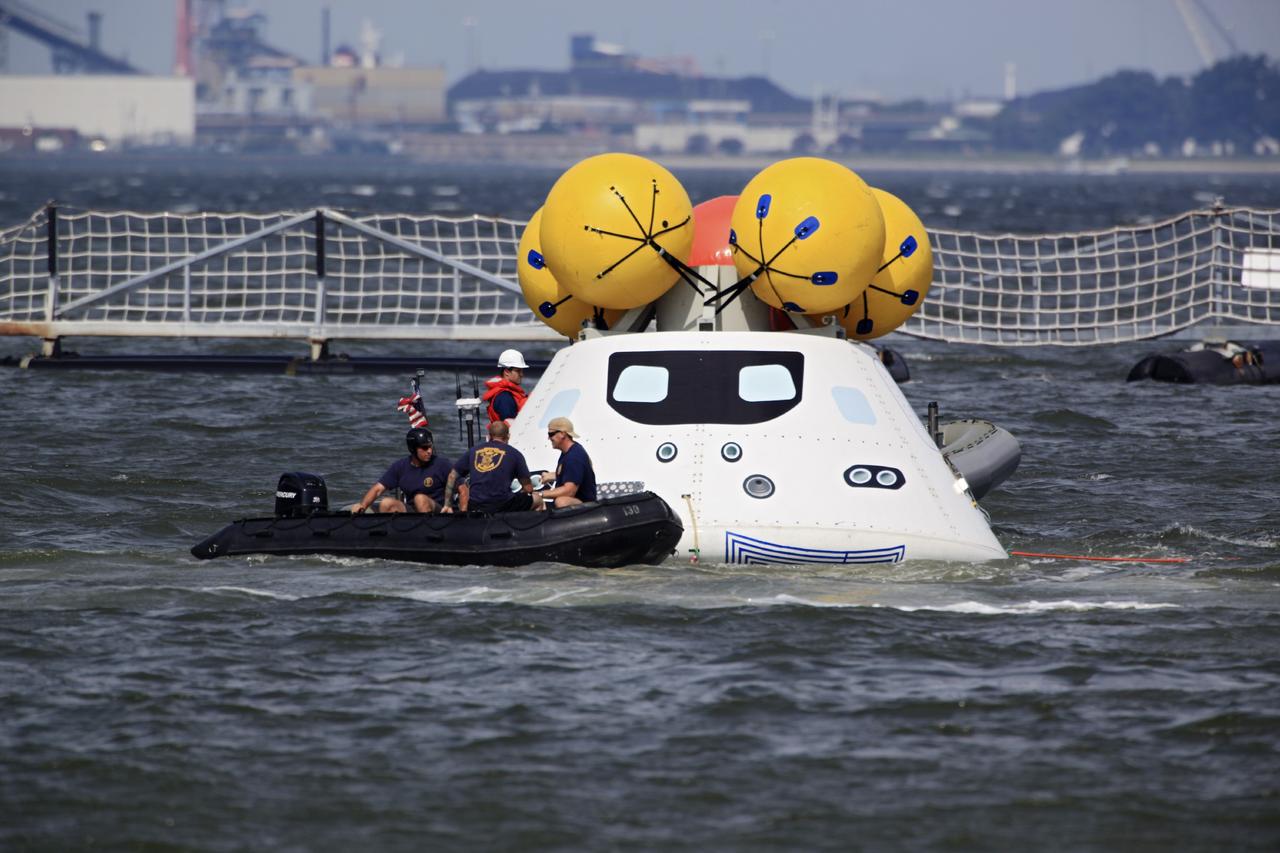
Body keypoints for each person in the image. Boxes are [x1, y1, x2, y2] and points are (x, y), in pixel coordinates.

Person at [442, 420, 544, 515]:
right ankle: (526, 529)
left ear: (489, 436)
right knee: (538, 500)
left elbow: (452, 476)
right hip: (503, 504)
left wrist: (447, 504)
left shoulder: (473, 451)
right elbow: (528, 488)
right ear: (508, 436)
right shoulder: (515, 454)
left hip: (475, 504)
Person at [352, 427, 452, 514]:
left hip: (439, 512)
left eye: (430, 446)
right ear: (413, 449)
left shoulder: (442, 464)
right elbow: (378, 489)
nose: (429, 451)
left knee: (420, 499)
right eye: (425, 448)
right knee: (386, 503)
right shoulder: (400, 466)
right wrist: (362, 506)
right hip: (412, 510)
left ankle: (426, 532)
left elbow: (462, 488)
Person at [538, 416, 597, 508]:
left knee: (561, 501)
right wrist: (552, 475)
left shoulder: (574, 457)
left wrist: (541, 494)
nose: (549, 438)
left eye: (551, 434)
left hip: (584, 504)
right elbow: (573, 473)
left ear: (562, 434)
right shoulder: (570, 451)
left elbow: (569, 491)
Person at [481, 348, 529, 425]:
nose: (521, 374)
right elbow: (511, 426)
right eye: (518, 371)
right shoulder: (504, 397)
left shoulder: (507, 394)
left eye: (522, 371)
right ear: (506, 372)